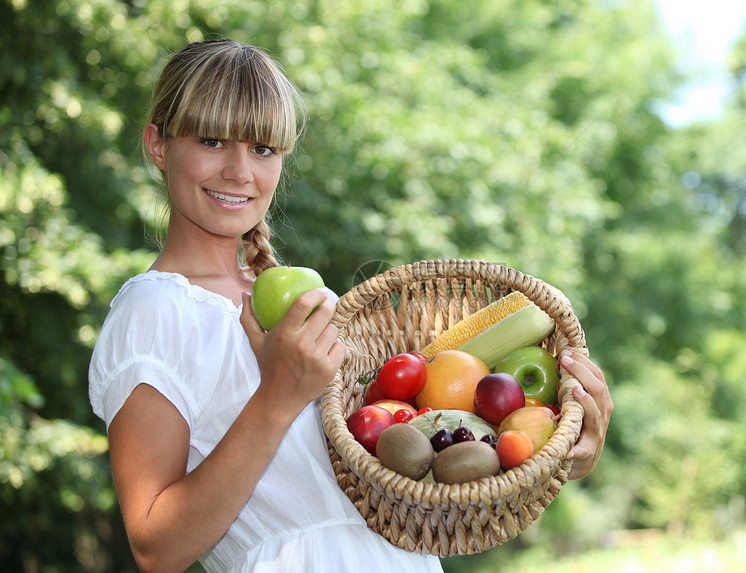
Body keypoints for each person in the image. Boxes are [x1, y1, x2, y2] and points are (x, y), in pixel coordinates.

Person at [88, 38, 612, 573]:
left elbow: (417, 466)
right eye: (213, 140)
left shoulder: (319, 307)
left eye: (263, 149)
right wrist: (276, 398)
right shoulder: (155, 311)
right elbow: (156, 547)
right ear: (158, 144)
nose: (240, 171)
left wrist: (553, 456)